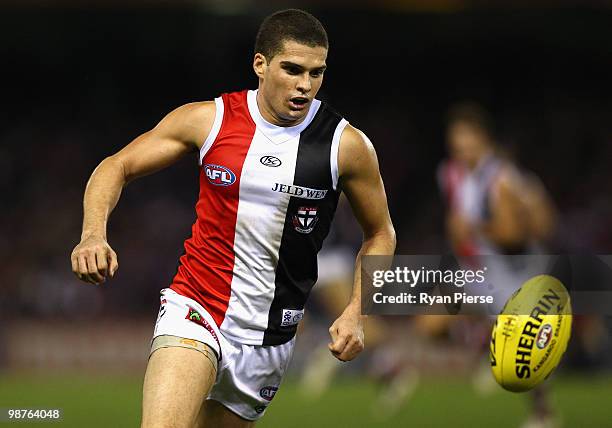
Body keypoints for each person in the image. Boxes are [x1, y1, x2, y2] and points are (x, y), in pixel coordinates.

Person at [70, 9, 395, 428]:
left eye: (316, 73)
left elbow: (381, 234)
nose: (304, 85)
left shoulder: (346, 145)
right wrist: (92, 234)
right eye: (292, 69)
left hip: (271, 341)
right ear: (260, 64)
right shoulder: (210, 120)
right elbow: (116, 166)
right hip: (196, 308)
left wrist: (357, 311)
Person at [438, 102, 558, 428]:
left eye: (467, 139)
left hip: (518, 266)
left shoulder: (500, 178)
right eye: (456, 140)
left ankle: (542, 413)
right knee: (433, 314)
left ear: (482, 138)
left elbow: (513, 234)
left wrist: (472, 229)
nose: (462, 147)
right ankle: (488, 358)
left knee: (525, 346)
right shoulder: (462, 175)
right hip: (489, 265)